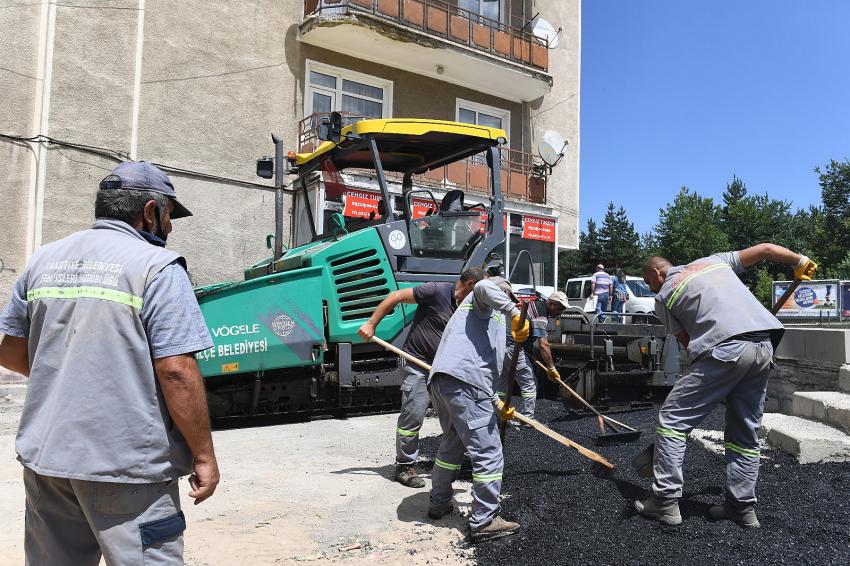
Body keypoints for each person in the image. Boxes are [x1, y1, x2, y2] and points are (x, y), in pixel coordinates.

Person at [0, 161, 219, 564]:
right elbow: (176, 370)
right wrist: (204, 455)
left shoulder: (42, 261)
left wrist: (66, 378)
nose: (169, 229)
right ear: (151, 211)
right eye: (170, 216)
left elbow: (11, 352)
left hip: (48, 459)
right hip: (126, 467)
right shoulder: (157, 268)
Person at [634, 244, 816, 528]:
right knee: (744, 431)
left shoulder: (666, 296)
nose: (650, 289)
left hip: (725, 349)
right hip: (763, 346)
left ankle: (664, 501)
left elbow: (688, 344)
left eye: (648, 282)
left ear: (657, 273)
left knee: (672, 420)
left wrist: (715, 380)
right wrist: (800, 260)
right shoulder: (714, 260)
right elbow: (766, 249)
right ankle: (741, 508)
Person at [357, 268, 486, 488]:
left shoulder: (470, 307)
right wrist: (371, 324)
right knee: (413, 414)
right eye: (480, 289)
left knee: (453, 418)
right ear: (471, 283)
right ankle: (405, 465)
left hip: (444, 369)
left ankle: (451, 461)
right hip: (417, 362)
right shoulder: (436, 291)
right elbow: (396, 296)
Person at [425, 278, 530, 543]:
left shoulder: (478, 320)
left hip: (447, 381)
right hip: (464, 383)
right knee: (489, 451)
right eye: (508, 297)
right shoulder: (484, 300)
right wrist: (515, 312)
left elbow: (477, 365)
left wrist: (496, 403)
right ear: (503, 293)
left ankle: (439, 502)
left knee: (453, 443)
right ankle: (485, 520)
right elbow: (483, 285)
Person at [494, 288, 569, 420]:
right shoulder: (541, 315)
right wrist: (551, 368)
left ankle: (497, 414)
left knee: (503, 381)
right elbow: (543, 344)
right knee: (529, 382)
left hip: (500, 343)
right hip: (513, 346)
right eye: (559, 309)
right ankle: (527, 418)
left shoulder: (536, 303)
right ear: (551, 303)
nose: (560, 313)